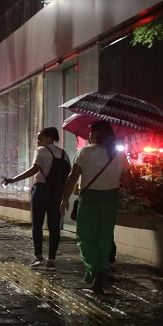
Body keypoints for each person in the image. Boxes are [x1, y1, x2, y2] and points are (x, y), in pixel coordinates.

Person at [59, 120, 126, 293]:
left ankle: (95, 268)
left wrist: (64, 199)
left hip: (89, 199)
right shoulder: (119, 154)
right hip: (110, 199)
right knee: (104, 236)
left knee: (85, 237)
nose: (89, 134)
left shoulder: (84, 152)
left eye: (91, 131)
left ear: (96, 133)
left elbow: (72, 178)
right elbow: (127, 180)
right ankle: (103, 266)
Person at [1, 127, 67, 269]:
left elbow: (34, 169)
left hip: (41, 190)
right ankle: (52, 260)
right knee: (54, 226)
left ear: (49, 138)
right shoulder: (63, 154)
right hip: (56, 193)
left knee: (37, 224)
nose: (38, 141)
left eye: (40, 138)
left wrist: (13, 179)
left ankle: (38, 257)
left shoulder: (41, 151)